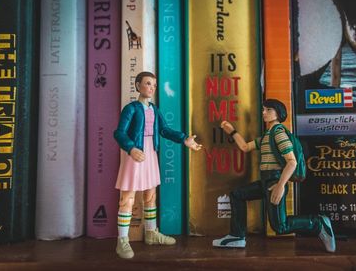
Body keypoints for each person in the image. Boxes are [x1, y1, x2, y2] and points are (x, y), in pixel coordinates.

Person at [212, 99, 336, 252]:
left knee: (280, 226)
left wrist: (280, 185)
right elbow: (245, 147)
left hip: (275, 181)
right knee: (237, 194)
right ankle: (237, 236)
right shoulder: (267, 135)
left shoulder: (279, 133)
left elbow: (292, 162)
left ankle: (318, 223)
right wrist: (232, 131)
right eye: (264, 109)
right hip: (266, 181)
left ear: (278, 113)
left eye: (268, 110)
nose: (264, 112)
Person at [114, 71, 202, 259]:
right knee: (127, 197)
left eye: (154, 84)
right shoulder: (131, 109)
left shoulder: (154, 109)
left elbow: (164, 129)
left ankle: (151, 232)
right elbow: (119, 133)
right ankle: (122, 239)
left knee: (150, 195)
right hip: (135, 154)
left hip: (150, 154)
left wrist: (184, 138)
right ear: (138, 86)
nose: (151, 87)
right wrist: (130, 148)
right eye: (147, 83)